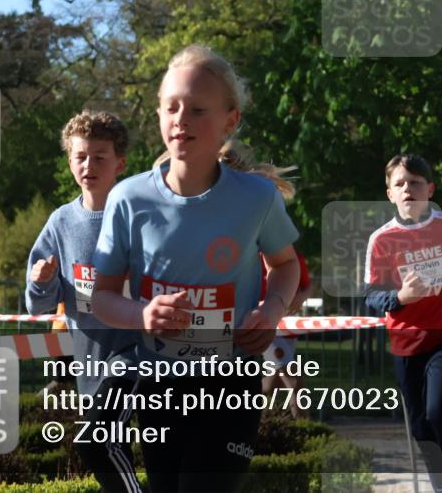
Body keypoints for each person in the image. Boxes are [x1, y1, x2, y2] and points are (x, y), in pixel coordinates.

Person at [91, 44, 301, 493]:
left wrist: (271, 310)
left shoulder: (257, 198)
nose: (180, 119)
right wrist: (142, 315)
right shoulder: (128, 199)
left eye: (197, 109)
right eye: (171, 108)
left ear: (230, 120)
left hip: (232, 384)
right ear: (159, 115)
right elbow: (102, 296)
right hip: (158, 385)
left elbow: (285, 266)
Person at [25, 110, 141, 493]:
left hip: (139, 357)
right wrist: (42, 281)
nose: (89, 165)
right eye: (80, 156)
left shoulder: (140, 216)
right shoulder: (61, 223)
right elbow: (37, 306)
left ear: (120, 163)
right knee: (115, 453)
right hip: (89, 364)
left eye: (99, 157)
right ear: (69, 162)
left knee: (94, 442)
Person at [364, 154, 442, 493]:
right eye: (400, 184)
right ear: (390, 193)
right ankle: (441, 485)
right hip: (406, 342)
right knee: (421, 426)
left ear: (430, 189)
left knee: (439, 411)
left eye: (416, 183)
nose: (408, 189)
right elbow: (371, 294)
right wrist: (400, 298)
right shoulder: (381, 239)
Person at [261, 249, 313, 419]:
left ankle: (254, 418)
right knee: (295, 381)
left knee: (271, 384)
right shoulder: (251, 256)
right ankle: (304, 427)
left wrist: (301, 297)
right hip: (266, 327)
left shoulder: (294, 255)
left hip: (288, 329)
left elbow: (308, 287)